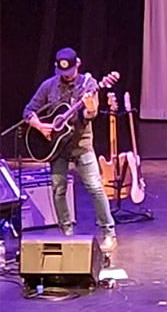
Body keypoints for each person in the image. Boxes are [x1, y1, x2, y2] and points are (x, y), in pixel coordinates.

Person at [23, 48, 117, 252]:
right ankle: (66, 233)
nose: (66, 76)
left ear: (78, 64)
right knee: (59, 190)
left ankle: (109, 233)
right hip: (56, 147)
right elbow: (28, 111)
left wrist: (90, 108)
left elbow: (90, 116)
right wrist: (40, 126)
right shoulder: (49, 86)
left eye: (70, 71)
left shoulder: (89, 85)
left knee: (95, 187)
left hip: (81, 144)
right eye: (62, 72)